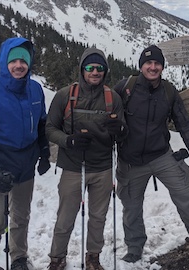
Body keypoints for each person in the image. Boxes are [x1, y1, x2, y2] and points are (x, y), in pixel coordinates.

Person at [114, 45, 189, 263]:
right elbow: (109, 117)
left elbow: (184, 126)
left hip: (161, 155)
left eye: (157, 63)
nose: (153, 67)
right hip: (130, 161)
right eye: (149, 63)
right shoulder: (125, 88)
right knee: (131, 208)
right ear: (141, 66)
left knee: (186, 198)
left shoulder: (168, 91)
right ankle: (134, 248)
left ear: (162, 67)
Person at [0, 37, 51, 270]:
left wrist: (44, 152)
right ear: (4, 62)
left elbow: (41, 125)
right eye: (13, 60)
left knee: (20, 217)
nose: (18, 65)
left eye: (23, 60)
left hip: (25, 165)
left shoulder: (35, 89)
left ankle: (19, 258)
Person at [45, 48, 127, 270]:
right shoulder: (65, 95)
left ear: (105, 71)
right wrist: (68, 141)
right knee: (65, 217)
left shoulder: (113, 98)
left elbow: (123, 133)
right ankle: (57, 258)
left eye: (99, 68)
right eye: (90, 67)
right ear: (82, 69)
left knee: (98, 217)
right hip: (73, 167)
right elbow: (50, 128)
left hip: (102, 167)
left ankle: (93, 257)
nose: (95, 72)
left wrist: (119, 129)